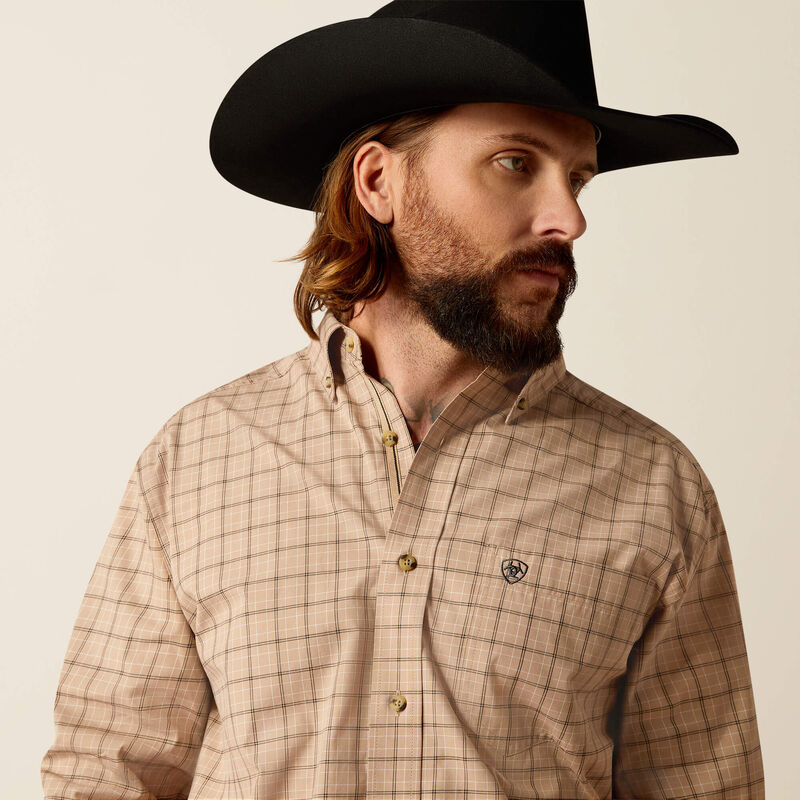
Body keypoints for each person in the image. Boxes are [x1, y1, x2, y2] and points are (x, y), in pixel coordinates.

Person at [42, 2, 765, 798]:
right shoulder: (199, 458)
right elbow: (107, 774)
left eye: (580, 177)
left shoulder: (654, 485)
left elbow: (705, 788)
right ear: (380, 181)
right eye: (517, 163)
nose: (570, 218)